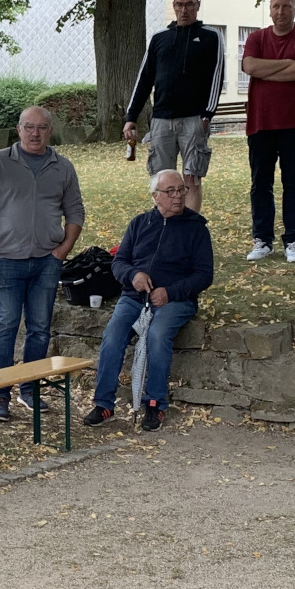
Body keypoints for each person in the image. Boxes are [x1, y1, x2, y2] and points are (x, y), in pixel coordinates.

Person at [0, 105, 85, 421]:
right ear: (18, 130)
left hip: (47, 262)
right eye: (29, 127)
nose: (35, 133)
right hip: (6, 261)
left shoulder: (63, 167)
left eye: (42, 128)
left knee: (40, 330)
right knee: (5, 326)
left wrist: (63, 249)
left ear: (50, 131)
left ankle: (30, 390)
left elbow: (75, 211)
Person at [84, 171, 216, 432]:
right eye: (170, 191)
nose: (178, 196)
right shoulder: (139, 223)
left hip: (175, 300)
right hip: (134, 297)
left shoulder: (196, 228)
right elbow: (119, 263)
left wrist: (170, 292)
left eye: (181, 190)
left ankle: (155, 403)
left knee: (157, 334)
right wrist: (134, 276)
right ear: (155, 196)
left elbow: (204, 275)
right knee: (112, 335)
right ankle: (103, 404)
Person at [122, 0, 225, 213]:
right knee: (162, 180)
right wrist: (131, 116)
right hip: (161, 119)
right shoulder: (159, 38)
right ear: (174, 6)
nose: (184, 10)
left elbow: (216, 78)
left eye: (189, 4)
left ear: (198, 5)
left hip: (194, 119)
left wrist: (206, 115)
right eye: (179, 5)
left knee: (191, 179)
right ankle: (165, 226)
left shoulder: (211, 37)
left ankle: (190, 227)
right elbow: (144, 79)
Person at [240, 0, 295, 263]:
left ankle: (293, 240)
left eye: (286, 6)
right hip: (261, 123)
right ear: (270, 10)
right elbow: (250, 67)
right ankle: (263, 239)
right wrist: (289, 64)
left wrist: (269, 70)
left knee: (294, 182)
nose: (281, 12)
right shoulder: (256, 38)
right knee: (260, 183)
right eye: (276, 6)